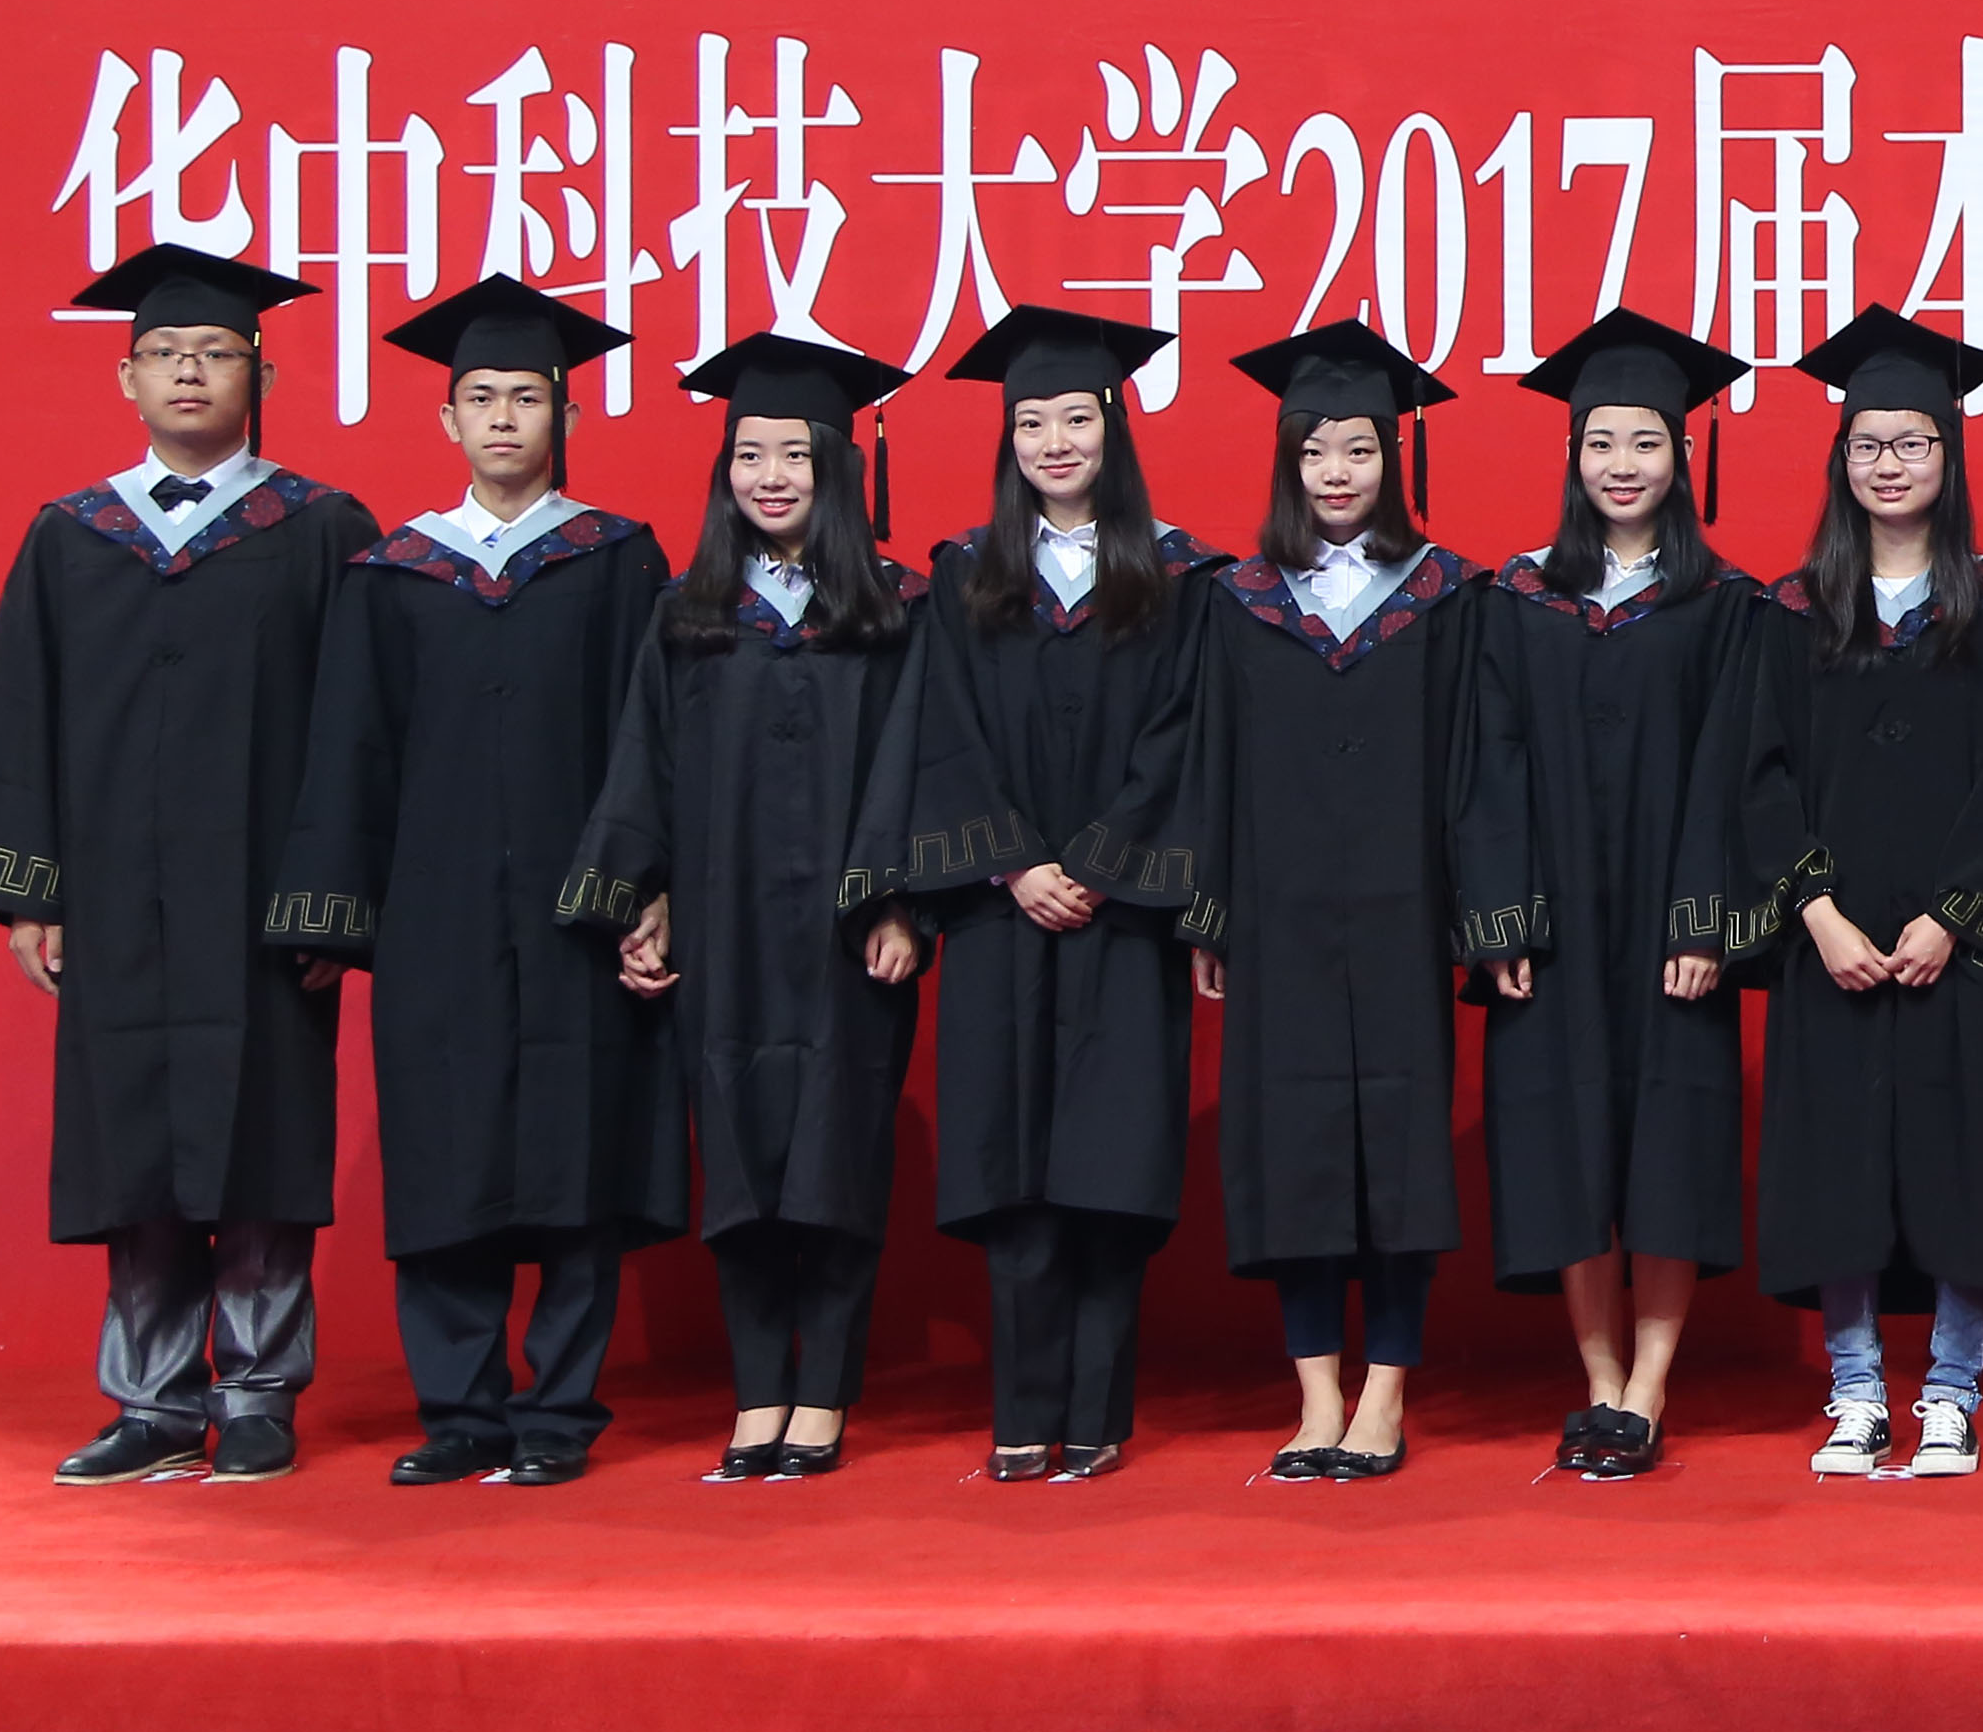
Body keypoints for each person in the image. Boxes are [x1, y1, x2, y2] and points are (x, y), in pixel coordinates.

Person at [0, 248, 379, 1486]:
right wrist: (31, 895)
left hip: (265, 906)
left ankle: (261, 1390)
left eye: (217, 353)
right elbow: (18, 712)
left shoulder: (321, 531)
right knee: (136, 1145)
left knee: (264, 1141)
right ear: (127, 379)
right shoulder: (74, 536)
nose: (190, 371)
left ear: (260, 377)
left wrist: (335, 902)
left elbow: (360, 729)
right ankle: (156, 1401)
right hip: (118, 899)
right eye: (167, 354)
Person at [271, 277, 677, 1488]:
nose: (505, 416)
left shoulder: (617, 559)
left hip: (578, 903)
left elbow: (653, 738)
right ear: (447, 419)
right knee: (445, 1145)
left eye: (528, 397)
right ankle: (459, 1412)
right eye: (483, 398)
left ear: (565, 415)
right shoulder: (396, 571)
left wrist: (653, 886)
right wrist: (332, 913)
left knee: (577, 1146)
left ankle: (558, 1411)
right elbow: (350, 748)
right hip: (433, 908)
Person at [1082, 323, 1504, 1483]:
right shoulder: (1239, 600)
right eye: (1314, 450)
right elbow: (1210, 765)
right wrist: (1209, 914)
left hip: (1404, 917)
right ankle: (1317, 1392)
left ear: (1392, 458)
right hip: (1279, 919)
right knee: (1297, 1151)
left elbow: (1477, 768)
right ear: (1287, 461)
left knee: (1400, 1155)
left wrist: (1484, 919)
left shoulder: (1448, 597)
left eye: (1358, 449)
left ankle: (1386, 1394)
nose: (1335, 471)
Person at [1699, 308, 1983, 1481]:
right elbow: (1758, 776)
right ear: (1842, 460)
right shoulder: (1791, 614)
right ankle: (1857, 1389)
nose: (1890, 464)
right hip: (1836, 945)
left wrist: (1951, 918)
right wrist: (1816, 916)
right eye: (1869, 445)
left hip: (1949, 948)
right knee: (1839, 1168)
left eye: (1913, 443)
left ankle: (1952, 1393)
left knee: (1956, 1167)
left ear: (1948, 457)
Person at [855, 303, 1220, 1483]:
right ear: (1007, 438)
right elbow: (944, 733)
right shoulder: (967, 575)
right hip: (1001, 913)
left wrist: (1101, 866)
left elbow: (1183, 738)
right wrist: (1014, 863)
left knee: (1109, 1174)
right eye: (1031, 423)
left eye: (1076, 419)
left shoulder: (1179, 577)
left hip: (1122, 920)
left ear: (1115, 426)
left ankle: (1098, 1415)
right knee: (1014, 1172)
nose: (1054, 443)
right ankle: (1022, 1413)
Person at [565, 335, 927, 1483]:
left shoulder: (897, 610)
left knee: (837, 1154)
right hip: (723, 932)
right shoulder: (690, 614)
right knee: (736, 1158)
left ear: (839, 466)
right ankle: (759, 1389)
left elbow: (920, 768)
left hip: (847, 932)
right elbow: (647, 765)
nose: (771, 476)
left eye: (795, 455)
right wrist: (648, 898)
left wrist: (900, 903)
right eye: (750, 454)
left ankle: (824, 1395)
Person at [1470, 308, 1764, 1482]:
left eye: (1645, 443)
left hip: (1666, 919)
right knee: (1567, 1138)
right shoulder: (1518, 596)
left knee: (1668, 1139)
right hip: (1553, 917)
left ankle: (1648, 1385)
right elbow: (1487, 761)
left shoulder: (1723, 603)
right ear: (1573, 455)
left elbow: (1733, 770)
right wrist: (1501, 913)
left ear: (1681, 455)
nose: (1622, 466)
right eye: (1601, 444)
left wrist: (1703, 917)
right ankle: (1596, 1380)